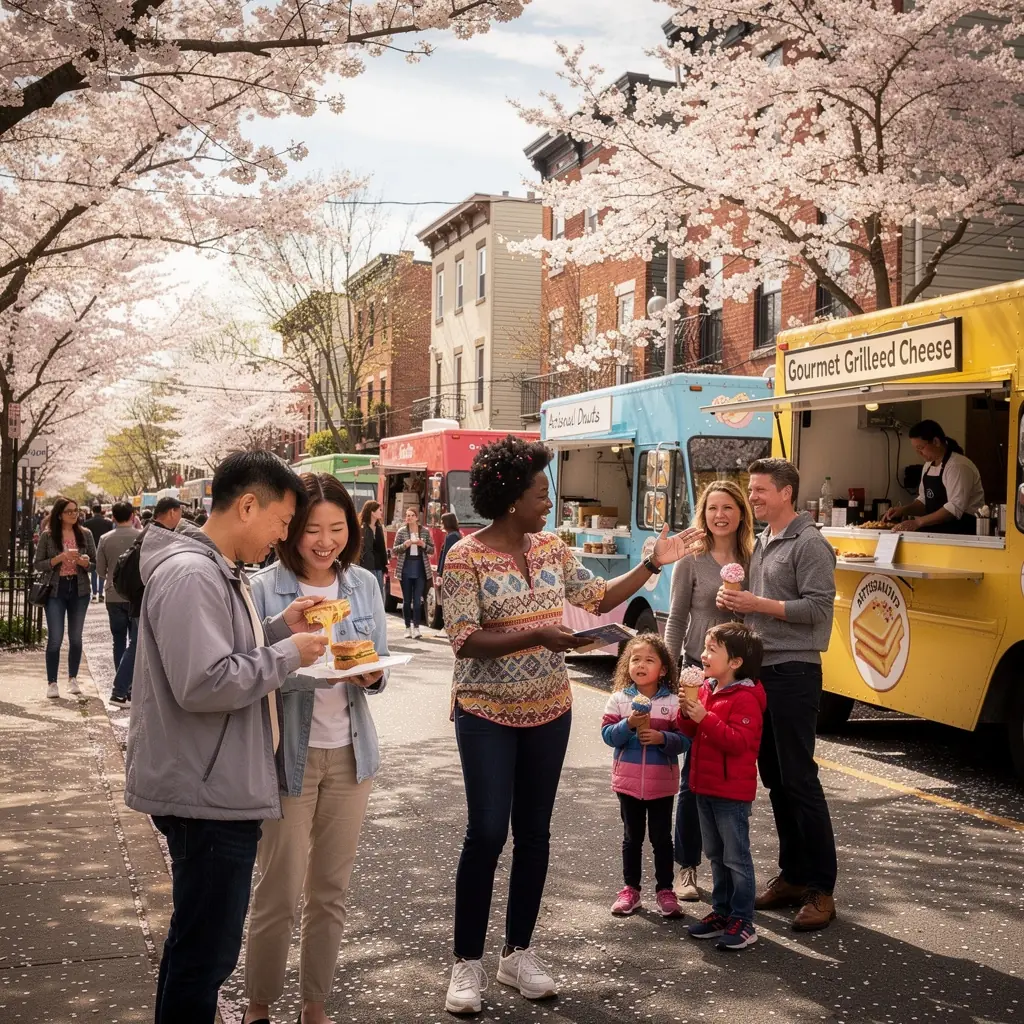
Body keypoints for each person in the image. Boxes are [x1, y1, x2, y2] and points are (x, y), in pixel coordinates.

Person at [440, 435, 700, 1015]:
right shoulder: (464, 556)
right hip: (485, 711)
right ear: (511, 498)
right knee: (487, 832)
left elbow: (598, 597)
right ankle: (466, 962)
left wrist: (653, 563)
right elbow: (464, 639)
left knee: (534, 833)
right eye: (540, 493)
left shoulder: (552, 548)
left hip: (550, 708)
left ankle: (517, 953)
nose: (549, 503)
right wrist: (536, 633)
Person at [123, 451, 330, 1024]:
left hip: (211, 781)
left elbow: (221, 650)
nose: (282, 536)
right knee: (205, 957)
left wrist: (278, 629)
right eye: (282, 521)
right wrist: (288, 654)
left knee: (195, 946)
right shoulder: (194, 573)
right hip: (207, 791)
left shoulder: (210, 568)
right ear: (247, 506)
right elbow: (204, 681)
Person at [244, 473, 388, 1024]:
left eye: (337, 528)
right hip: (287, 757)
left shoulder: (364, 584)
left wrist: (370, 675)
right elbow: (249, 670)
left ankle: (315, 1006)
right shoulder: (264, 588)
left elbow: (378, 664)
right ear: (290, 529)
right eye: (311, 530)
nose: (325, 542)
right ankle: (259, 1006)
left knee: (330, 891)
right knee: (278, 891)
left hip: (351, 756)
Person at [716, 457, 838, 932]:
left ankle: (822, 889)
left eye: (760, 490)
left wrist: (757, 603)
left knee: (800, 780)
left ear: (786, 493)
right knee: (776, 779)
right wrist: (739, 607)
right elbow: (763, 609)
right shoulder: (764, 540)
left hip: (794, 672)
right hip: (762, 674)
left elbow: (819, 609)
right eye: (751, 489)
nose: (753, 497)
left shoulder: (810, 543)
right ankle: (793, 876)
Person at [663, 479, 755, 902]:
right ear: (703, 514)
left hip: (737, 676)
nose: (720, 515)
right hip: (697, 672)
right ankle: (686, 867)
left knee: (731, 771)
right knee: (692, 775)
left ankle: (731, 869)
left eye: (728, 508)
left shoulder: (753, 558)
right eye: (713, 508)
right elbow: (676, 618)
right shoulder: (691, 561)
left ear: (740, 514)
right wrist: (670, 674)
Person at [678, 623, 766, 951]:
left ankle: (743, 920)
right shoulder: (707, 688)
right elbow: (690, 731)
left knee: (736, 857)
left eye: (712, 650)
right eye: (704, 647)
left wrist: (705, 717)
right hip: (704, 786)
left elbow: (738, 743)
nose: (703, 655)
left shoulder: (746, 698)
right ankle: (722, 911)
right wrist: (686, 712)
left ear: (735, 662)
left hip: (731, 793)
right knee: (715, 854)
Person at [600, 633, 687, 918]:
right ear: (627, 666)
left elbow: (685, 740)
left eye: (649, 660)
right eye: (635, 659)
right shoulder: (619, 700)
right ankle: (631, 890)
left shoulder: (673, 703)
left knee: (661, 838)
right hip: (627, 782)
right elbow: (608, 736)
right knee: (632, 837)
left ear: (663, 670)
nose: (641, 664)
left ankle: (665, 890)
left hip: (661, 784)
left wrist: (663, 738)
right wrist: (629, 724)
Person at [109, 497, 186, 705]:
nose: (181, 518)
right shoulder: (159, 536)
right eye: (180, 512)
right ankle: (119, 690)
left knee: (139, 646)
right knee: (137, 646)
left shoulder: (149, 532)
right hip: (144, 599)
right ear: (172, 512)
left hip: (140, 598)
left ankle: (127, 691)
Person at [34, 496, 96, 699]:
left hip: (79, 589)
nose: (74, 514)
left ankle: (73, 679)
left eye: (76, 511)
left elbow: (95, 564)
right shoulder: (48, 536)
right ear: (60, 514)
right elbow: (38, 564)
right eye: (69, 511)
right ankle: (52, 682)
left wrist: (85, 563)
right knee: (55, 638)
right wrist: (59, 558)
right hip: (55, 590)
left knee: (76, 638)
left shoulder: (85, 534)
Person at [882, 419, 984, 534]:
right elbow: (924, 501)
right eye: (916, 449)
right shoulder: (928, 465)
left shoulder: (957, 466)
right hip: (936, 531)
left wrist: (918, 522)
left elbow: (954, 508)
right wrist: (903, 510)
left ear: (936, 441)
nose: (919, 453)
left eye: (921, 448)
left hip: (961, 532)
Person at [95, 502, 140, 675]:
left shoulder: (105, 539)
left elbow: (100, 570)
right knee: (135, 642)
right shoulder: (141, 537)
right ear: (132, 516)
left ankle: (119, 677)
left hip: (113, 594)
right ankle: (129, 682)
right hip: (136, 595)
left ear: (113, 517)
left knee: (118, 640)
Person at [392, 506, 433, 639]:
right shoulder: (401, 531)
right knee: (406, 600)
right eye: (407, 515)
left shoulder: (424, 532)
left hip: (420, 568)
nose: (409, 518)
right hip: (405, 568)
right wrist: (405, 544)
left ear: (416, 517)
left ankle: (416, 628)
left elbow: (432, 550)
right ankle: (407, 628)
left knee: (417, 600)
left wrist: (423, 545)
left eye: (411, 515)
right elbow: (394, 550)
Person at [358, 499, 388, 601]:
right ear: (372, 512)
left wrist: (385, 565)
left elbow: (382, 548)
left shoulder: (379, 528)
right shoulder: (362, 528)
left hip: (378, 566)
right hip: (366, 566)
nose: (381, 512)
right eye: (379, 510)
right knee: (367, 594)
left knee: (378, 594)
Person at [84, 504, 114, 602]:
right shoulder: (108, 523)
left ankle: (94, 593)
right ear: (101, 510)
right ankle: (101, 593)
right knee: (102, 571)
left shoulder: (87, 523)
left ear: (93, 511)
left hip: (91, 549)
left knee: (93, 571)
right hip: (105, 548)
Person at [437, 511, 462, 576]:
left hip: (449, 572)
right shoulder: (454, 534)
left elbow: (447, 555)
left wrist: (441, 573)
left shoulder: (452, 536)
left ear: (447, 523)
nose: (440, 524)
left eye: (442, 522)